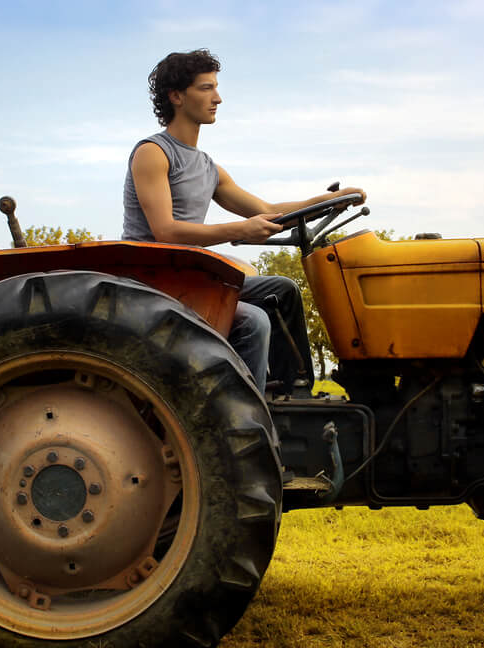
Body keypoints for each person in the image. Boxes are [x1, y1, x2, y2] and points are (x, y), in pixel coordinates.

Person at [121, 49, 364, 391]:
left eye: (216, 87)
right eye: (206, 88)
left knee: (283, 290)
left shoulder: (209, 168)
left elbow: (265, 209)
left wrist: (326, 201)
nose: (217, 98)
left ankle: (293, 393)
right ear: (177, 96)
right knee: (254, 321)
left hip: (192, 278)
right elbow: (165, 231)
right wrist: (241, 230)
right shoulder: (153, 153)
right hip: (155, 282)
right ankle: (247, 422)